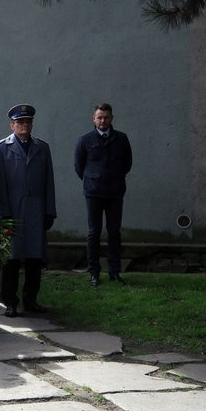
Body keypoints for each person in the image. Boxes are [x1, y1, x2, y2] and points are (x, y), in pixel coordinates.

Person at [0, 104, 56, 317]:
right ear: (12, 125)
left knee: (34, 259)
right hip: (13, 210)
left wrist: (49, 211)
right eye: (20, 122)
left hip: (36, 210)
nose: (24, 125)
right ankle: (10, 301)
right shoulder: (2, 148)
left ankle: (31, 300)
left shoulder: (42, 147)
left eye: (28, 122)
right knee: (11, 259)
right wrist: (2, 213)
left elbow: (49, 181)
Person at [74, 103, 133, 287]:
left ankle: (114, 271)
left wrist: (114, 177)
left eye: (106, 117)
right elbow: (79, 167)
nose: (103, 120)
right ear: (94, 119)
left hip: (115, 192)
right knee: (94, 232)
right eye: (99, 117)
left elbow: (127, 164)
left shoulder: (121, 139)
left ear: (111, 118)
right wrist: (93, 180)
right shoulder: (85, 140)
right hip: (93, 193)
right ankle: (94, 272)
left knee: (114, 232)